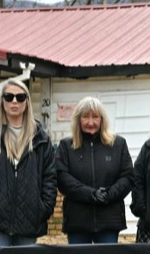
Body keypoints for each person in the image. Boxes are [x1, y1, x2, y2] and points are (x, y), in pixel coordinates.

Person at [0, 78, 57, 246]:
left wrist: (43, 209)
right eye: (8, 97)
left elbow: (49, 177)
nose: (14, 101)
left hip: (30, 219)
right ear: (2, 101)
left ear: (27, 101)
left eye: (20, 97)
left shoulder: (40, 138)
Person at [56, 97, 134, 244]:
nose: (90, 122)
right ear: (78, 120)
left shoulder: (118, 144)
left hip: (109, 222)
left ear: (102, 119)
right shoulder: (66, 146)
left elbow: (128, 177)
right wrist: (91, 194)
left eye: (95, 117)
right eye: (85, 117)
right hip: (78, 222)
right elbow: (62, 179)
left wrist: (108, 195)